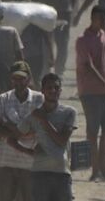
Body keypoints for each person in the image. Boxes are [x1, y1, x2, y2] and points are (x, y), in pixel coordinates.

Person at [0, 62, 41, 201]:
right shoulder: (2, 99)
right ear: (11, 79)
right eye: (15, 78)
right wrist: (22, 133)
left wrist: (9, 126)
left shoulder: (39, 99)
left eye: (22, 78)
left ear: (28, 79)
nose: (18, 82)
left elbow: (40, 128)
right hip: (6, 161)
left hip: (31, 164)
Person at [80, 4, 105, 182]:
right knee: (92, 131)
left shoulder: (104, 36)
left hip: (104, 93)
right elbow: (89, 66)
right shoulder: (83, 40)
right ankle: (95, 169)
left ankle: (102, 168)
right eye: (102, 18)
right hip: (90, 92)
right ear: (94, 18)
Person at [24, 72, 78, 201]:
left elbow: (61, 141)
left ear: (60, 90)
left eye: (56, 88)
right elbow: (17, 135)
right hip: (39, 173)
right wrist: (29, 149)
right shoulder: (34, 114)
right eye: (49, 87)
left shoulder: (69, 112)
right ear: (42, 90)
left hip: (61, 173)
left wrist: (43, 121)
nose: (53, 91)